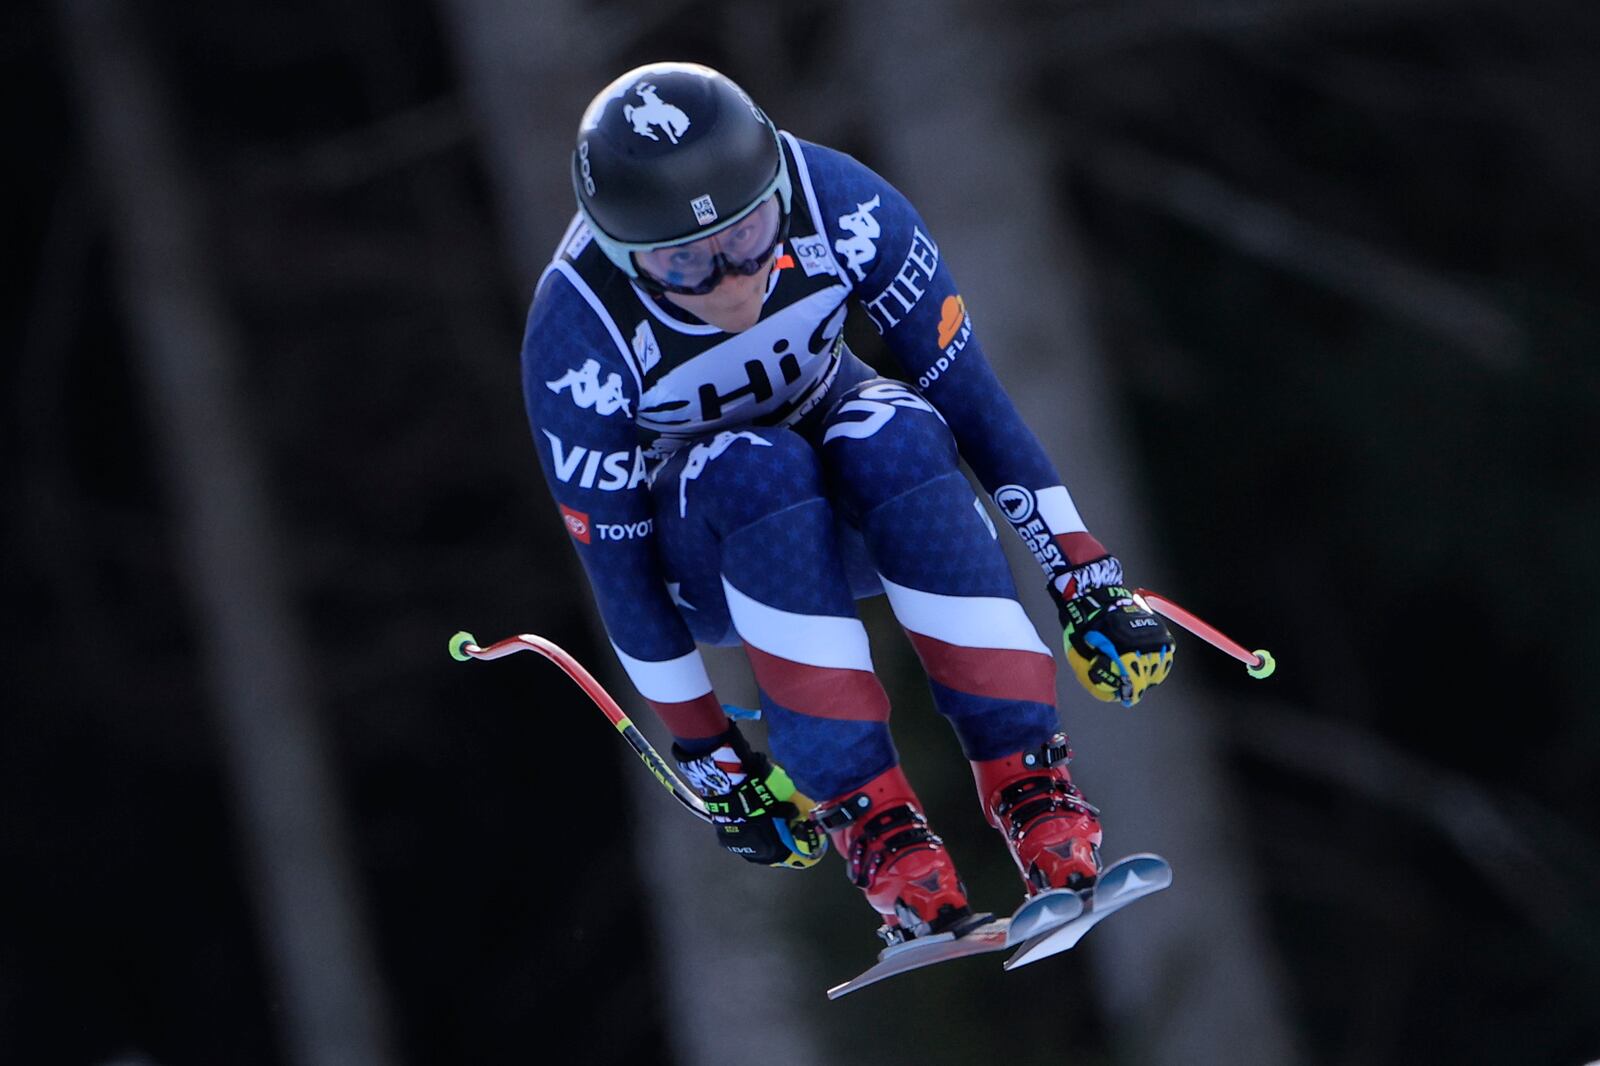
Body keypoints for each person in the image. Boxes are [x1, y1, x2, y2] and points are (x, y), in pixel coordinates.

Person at [522, 61, 1175, 943]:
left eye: (750, 234)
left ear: (777, 191)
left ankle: (1034, 783)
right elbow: (619, 572)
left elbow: (974, 407)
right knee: (755, 466)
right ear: (622, 252)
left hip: (860, 493)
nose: (731, 282)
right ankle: (874, 825)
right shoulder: (579, 336)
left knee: (897, 429)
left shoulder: (845, 207)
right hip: (711, 553)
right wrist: (710, 755)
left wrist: (1085, 576)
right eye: (683, 261)